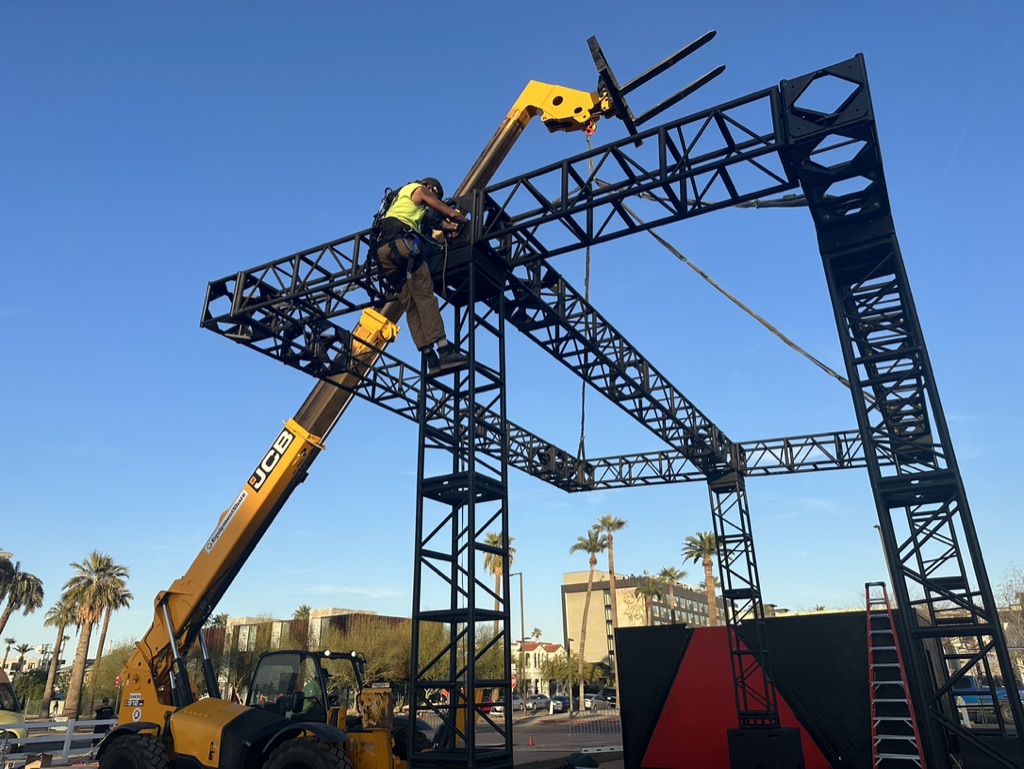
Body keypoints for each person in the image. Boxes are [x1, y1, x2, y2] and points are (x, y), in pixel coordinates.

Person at [376, 177, 469, 374]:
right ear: (432, 188)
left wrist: (450, 227)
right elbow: (447, 212)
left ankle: (430, 358)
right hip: (403, 247)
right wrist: (462, 220)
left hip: (383, 254)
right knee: (425, 296)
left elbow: (436, 222)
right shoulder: (420, 190)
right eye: (436, 194)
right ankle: (444, 350)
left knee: (410, 304)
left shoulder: (401, 199)